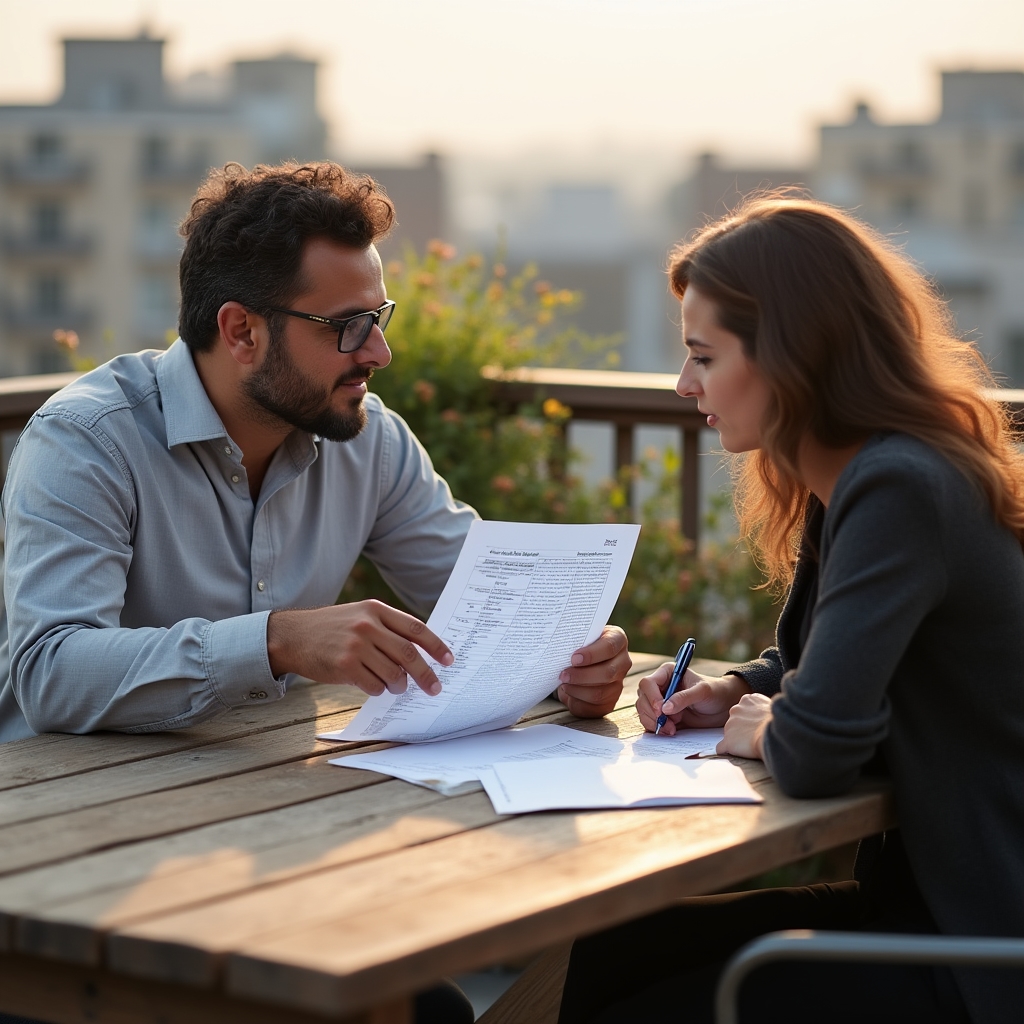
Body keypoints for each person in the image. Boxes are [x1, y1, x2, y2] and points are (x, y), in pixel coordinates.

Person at [0, 163, 632, 1023]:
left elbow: (488, 593)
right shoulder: (87, 441)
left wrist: (574, 657)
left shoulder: (370, 444)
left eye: (379, 319)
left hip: (268, 834)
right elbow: (47, 670)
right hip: (76, 867)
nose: (379, 352)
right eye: (348, 327)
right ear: (242, 331)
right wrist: (275, 640)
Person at [557, 196, 1024, 1024]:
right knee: (616, 946)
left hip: (983, 944)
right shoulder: (854, 475)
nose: (682, 383)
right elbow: (834, 668)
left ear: (793, 355)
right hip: (930, 905)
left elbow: (816, 750)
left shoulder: (898, 486)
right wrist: (737, 690)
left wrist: (775, 726)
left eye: (704, 355)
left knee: (652, 1005)